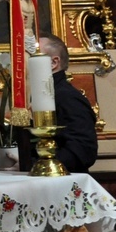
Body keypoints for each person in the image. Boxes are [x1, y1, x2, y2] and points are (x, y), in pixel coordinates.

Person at [38, 33, 98, 172]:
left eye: (33, 56)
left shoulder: (67, 97)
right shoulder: (41, 94)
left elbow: (83, 149)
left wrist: (39, 165)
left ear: (53, 63)